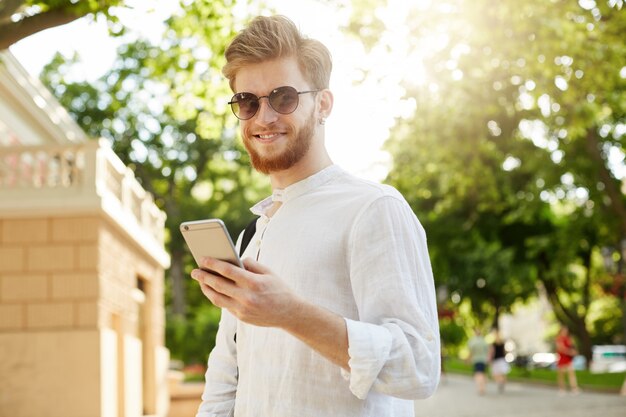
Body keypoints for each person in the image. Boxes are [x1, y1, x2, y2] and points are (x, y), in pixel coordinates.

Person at [190, 15, 440, 417]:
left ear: (322, 104)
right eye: (248, 102)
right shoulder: (251, 235)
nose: (264, 117)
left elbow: (419, 367)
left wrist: (290, 313)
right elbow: (226, 375)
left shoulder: (374, 208)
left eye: (283, 97)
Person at [555, 325, 580, 395]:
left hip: (568, 359)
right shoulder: (559, 339)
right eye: (564, 330)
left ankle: (574, 388)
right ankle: (561, 389)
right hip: (562, 359)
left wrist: (574, 351)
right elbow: (560, 348)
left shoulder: (569, 339)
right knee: (561, 375)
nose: (565, 332)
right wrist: (570, 352)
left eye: (566, 330)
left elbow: (573, 347)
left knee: (571, 374)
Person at [467, 327, 489, 395]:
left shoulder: (472, 341)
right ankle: (483, 384)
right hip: (484, 360)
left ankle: (481, 388)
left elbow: (471, 352)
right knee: (482, 373)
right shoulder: (484, 341)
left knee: (478, 374)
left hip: (477, 360)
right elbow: (487, 351)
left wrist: (468, 359)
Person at [489, 329, 510, 393]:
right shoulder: (502, 343)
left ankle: (500, 382)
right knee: (502, 374)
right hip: (502, 360)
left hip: (496, 360)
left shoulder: (493, 344)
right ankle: (502, 382)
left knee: (496, 374)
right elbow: (505, 351)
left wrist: (490, 360)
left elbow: (491, 353)